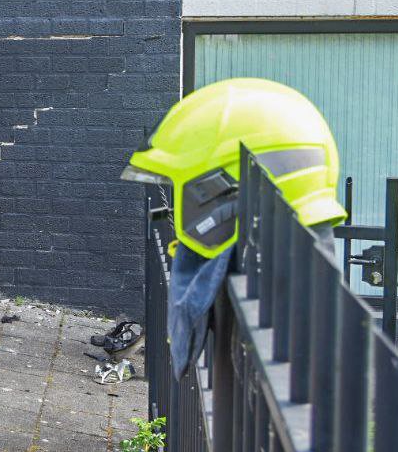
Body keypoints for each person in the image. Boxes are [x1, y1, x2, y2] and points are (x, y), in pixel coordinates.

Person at [121, 78, 347, 377]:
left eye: (184, 191)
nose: (173, 215)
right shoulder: (299, 297)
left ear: (222, 191)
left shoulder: (290, 334)